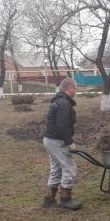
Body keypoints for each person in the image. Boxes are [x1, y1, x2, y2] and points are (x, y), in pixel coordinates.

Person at [42, 77, 82, 210]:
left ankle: (49, 199)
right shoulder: (64, 103)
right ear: (69, 88)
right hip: (56, 141)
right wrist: (69, 142)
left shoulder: (58, 101)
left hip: (50, 140)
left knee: (57, 169)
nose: (75, 91)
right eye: (75, 89)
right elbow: (62, 125)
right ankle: (65, 199)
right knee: (69, 167)